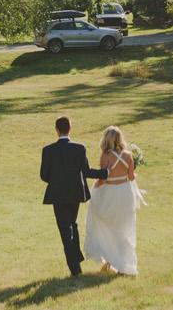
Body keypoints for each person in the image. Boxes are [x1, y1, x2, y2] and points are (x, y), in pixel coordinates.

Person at [39, 115, 109, 277]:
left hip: (58, 194)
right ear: (70, 129)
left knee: (66, 230)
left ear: (56, 130)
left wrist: (55, 180)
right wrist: (105, 173)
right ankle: (76, 258)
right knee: (73, 224)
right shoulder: (79, 148)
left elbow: (44, 176)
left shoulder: (48, 150)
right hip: (75, 193)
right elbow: (87, 172)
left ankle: (75, 268)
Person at [84, 125, 143, 276]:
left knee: (106, 223)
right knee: (122, 227)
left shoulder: (105, 157)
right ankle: (122, 263)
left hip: (109, 193)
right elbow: (131, 177)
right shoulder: (128, 155)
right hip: (124, 193)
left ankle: (110, 259)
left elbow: (103, 180)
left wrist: (95, 186)